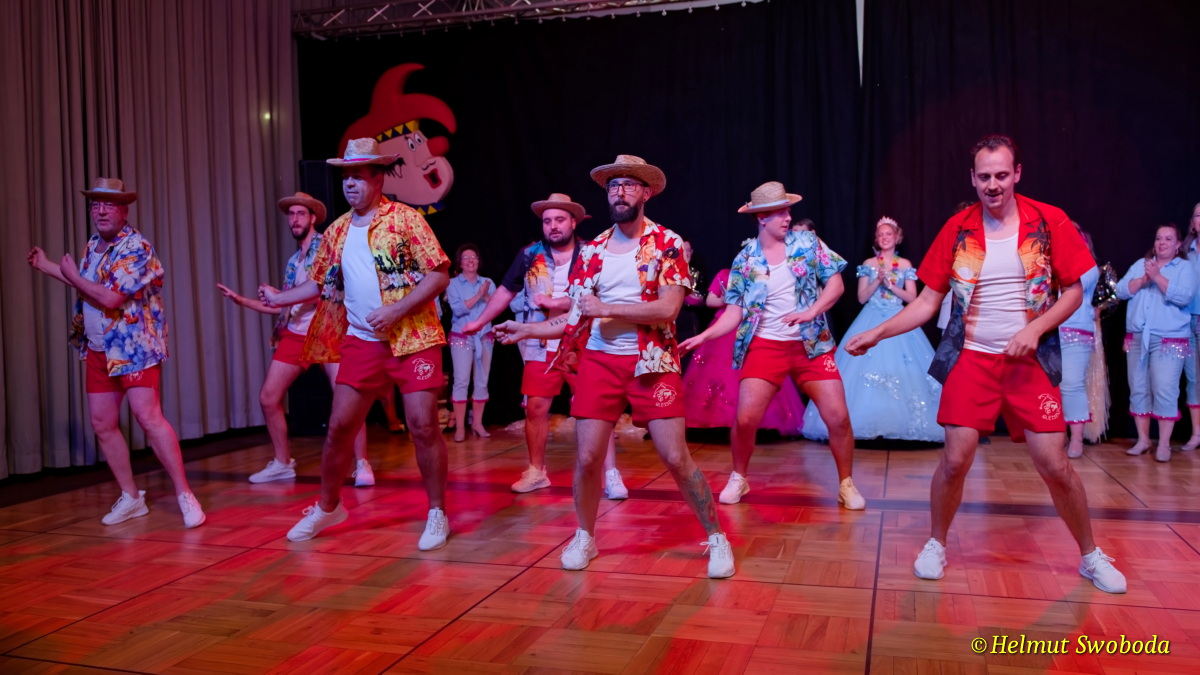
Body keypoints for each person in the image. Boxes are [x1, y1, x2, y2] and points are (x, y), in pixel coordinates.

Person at [845, 134, 1126, 593]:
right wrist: (876, 334)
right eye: (984, 177)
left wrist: (1035, 330)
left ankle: (1090, 555)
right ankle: (936, 542)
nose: (993, 184)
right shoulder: (958, 229)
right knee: (955, 460)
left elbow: (1075, 291)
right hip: (971, 359)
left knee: (1054, 464)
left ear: (1017, 174)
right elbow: (927, 302)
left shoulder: (1047, 220)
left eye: (1001, 175)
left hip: (1028, 361)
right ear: (972, 179)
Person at [495, 155, 735, 578]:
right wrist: (526, 330)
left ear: (646, 193)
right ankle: (585, 536)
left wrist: (606, 308)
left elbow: (668, 308)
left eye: (629, 185)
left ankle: (716, 537)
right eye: (613, 186)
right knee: (588, 458)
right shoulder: (592, 251)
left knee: (675, 456)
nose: (620, 192)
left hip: (652, 361)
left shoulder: (667, 242)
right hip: (599, 361)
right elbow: (577, 317)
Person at [261, 138, 452, 549]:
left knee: (423, 426)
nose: (349, 183)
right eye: (345, 176)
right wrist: (279, 298)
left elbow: (439, 275)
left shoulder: (405, 220)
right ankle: (328, 506)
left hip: (413, 339)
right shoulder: (337, 230)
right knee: (339, 428)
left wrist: (398, 309)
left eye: (358, 175)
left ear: (378, 178)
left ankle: (437, 512)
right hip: (363, 342)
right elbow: (317, 283)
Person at [27, 177, 205, 528]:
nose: (101, 211)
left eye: (109, 204)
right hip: (99, 348)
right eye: (96, 204)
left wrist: (72, 276)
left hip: (134, 347)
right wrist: (47, 266)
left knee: (148, 418)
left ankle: (185, 493)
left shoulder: (136, 247)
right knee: (102, 423)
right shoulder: (93, 244)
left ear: (124, 210)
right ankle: (131, 496)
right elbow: (86, 283)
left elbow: (110, 297)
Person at [681, 181, 865, 509]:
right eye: (780, 213)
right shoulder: (745, 260)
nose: (787, 217)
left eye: (788, 211)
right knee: (745, 419)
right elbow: (734, 312)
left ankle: (846, 484)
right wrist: (704, 336)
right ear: (761, 218)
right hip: (765, 346)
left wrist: (811, 311)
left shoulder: (808, 243)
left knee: (838, 417)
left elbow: (836, 285)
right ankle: (739, 477)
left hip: (811, 345)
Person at [464, 193, 626, 498]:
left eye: (560, 220)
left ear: (573, 222)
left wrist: (558, 302)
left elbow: (600, 294)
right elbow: (505, 291)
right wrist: (480, 321)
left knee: (595, 408)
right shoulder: (530, 254)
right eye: (548, 221)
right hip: (539, 344)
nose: (553, 226)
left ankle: (610, 474)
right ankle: (537, 472)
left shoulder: (591, 253)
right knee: (536, 408)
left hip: (582, 342)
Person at [217, 191, 374, 486]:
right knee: (268, 397)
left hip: (327, 330)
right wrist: (243, 300)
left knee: (347, 398)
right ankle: (282, 463)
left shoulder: (324, 247)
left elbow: (318, 291)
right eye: (291, 214)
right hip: (296, 334)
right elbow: (285, 304)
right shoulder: (293, 261)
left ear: (313, 218)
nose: (295, 219)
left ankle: (362, 463)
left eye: (301, 213)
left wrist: (278, 296)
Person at [801, 217, 944, 442]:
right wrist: (877, 281)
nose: (885, 238)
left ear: (897, 237)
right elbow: (861, 297)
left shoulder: (904, 264)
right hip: (872, 316)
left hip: (897, 316)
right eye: (881, 235)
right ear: (876, 239)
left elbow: (913, 298)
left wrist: (891, 285)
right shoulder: (869, 263)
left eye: (889, 234)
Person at [682, 267, 806, 434]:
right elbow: (711, 300)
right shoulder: (725, 274)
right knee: (720, 369)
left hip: (753, 326)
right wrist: (729, 299)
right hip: (724, 327)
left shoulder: (764, 275)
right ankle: (718, 419)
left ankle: (756, 421)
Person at [1116, 223, 1196, 462]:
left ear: (1178, 244)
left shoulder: (1185, 267)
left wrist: (1157, 277)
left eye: (1168, 239)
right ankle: (1143, 440)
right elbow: (1120, 291)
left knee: (1164, 389)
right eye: (1159, 238)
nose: (1162, 243)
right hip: (1137, 336)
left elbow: (1184, 296)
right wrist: (1144, 278)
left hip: (1169, 338)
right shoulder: (1141, 264)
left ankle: (1163, 444)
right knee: (1138, 387)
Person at [1057, 224, 1101, 459]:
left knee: (1072, 383)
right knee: (1052, 386)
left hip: (1076, 331)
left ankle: (1076, 438)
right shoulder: (1049, 260)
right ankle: (1057, 435)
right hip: (1050, 331)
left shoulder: (1088, 266)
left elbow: (1070, 282)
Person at [445, 244, 495, 442]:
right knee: (461, 381)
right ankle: (459, 427)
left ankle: (477, 423)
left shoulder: (488, 282)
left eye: (474, 257)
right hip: (462, 338)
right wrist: (480, 295)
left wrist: (487, 295)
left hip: (484, 337)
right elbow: (458, 310)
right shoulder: (452, 284)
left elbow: (497, 306)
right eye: (466, 258)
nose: (471, 260)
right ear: (460, 262)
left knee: (482, 381)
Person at [1180, 202, 1200, 451]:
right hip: (1187, 320)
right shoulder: (1185, 253)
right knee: (1193, 378)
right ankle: (1196, 433)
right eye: (1198, 215)